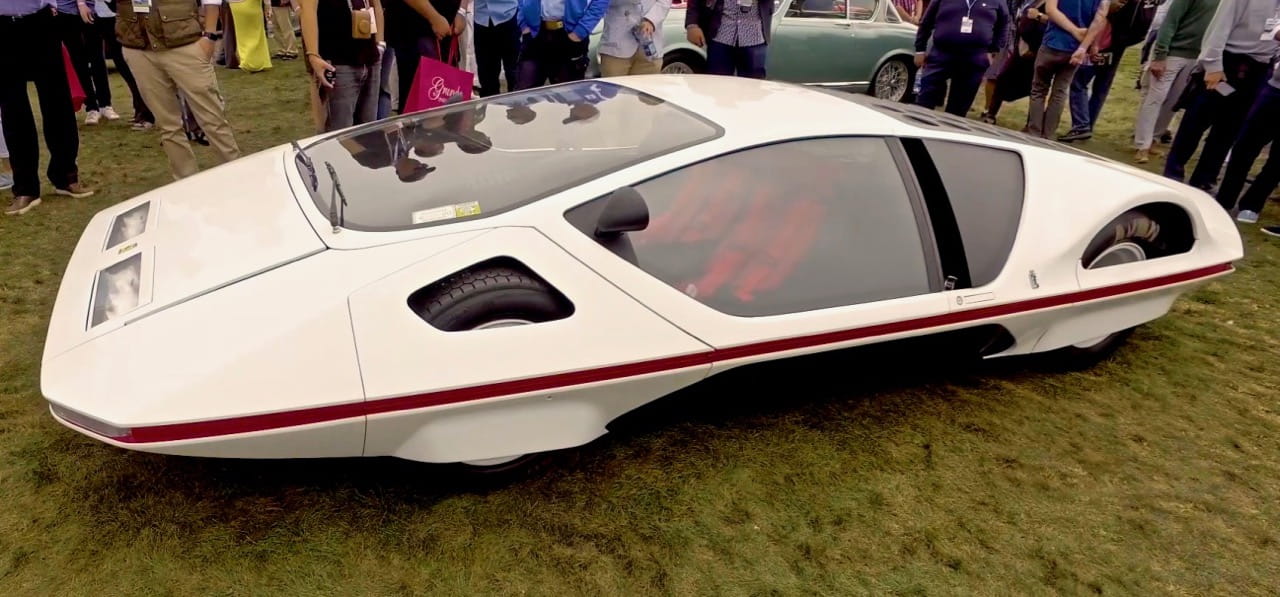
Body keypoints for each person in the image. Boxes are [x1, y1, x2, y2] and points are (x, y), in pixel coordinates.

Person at [116, 0, 243, 179]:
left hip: (186, 44)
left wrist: (209, 35)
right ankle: (186, 181)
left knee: (212, 118)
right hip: (138, 47)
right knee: (167, 125)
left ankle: (238, 174)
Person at [1161, 0, 1278, 189]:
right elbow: (1219, 27)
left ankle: (1204, 179)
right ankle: (1173, 173)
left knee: (1229, 129)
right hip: (1228, 61)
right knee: (1196, 121)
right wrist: (1213, 65)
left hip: (1259, 69)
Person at [0, 0, 94, 215]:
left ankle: (66, 176)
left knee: (58, 103)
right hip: (2, 26)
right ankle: (25, 188)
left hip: (40, 21)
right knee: (13, 109)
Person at [1058, 0, 1161, 142]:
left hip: (1103, 41)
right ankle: (1087, 125)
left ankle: (1081, 125)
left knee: (1079, 83)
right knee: (1101, 88)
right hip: (1120, 43)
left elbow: (1102, 17)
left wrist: (1094, 44)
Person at [1131, 0, 1215, 162]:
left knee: (1174, 101)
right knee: (1155, 98)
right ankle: (1142, 145)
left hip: (1196, 57)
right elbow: (1170, 22)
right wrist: (1160, 54)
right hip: (1172, 53)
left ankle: (1154, 139)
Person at [1214, 31, 1280, 223]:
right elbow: (1275, 33)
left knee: (1277, 160)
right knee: (1245, 146)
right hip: (1275, 89)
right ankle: (1225, 198)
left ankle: (1252, 204)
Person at [1023, 0, 1110, 138]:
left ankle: (1034, 131)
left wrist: (1074, 31)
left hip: (1052, 42)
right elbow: (1100, 19)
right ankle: (1048, 135)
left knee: (1039, 90)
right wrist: (1085, 46)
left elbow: (1051, 10)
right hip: (1075, 49)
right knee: (1059, 92)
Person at [299, 0, 385, 131]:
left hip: (370, 58)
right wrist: (313, 55)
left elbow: (376, 4)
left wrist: (380, 44)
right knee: (339, 131)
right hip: (337, 62)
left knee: (367, 131)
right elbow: (307, 10)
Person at [914, 0, 1010, 116]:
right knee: (925, 98)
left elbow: (1004, 24)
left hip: (974, 59)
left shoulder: (998, 1)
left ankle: (951, 124)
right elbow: (926, 22)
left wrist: (993, 50)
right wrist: (920, 49)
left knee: (958, 109)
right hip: (941, 54)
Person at [84, 0, 156, 130]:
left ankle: (147, 114)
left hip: (124, 17)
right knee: (124, 66)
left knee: (129, 67)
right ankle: (141, 110)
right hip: (104, 14)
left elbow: (143, 5)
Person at [384, 0, 465, 110]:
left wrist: (460, 12)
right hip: (416, 30)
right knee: (418, 103)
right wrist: (434, 18)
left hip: (444, 31)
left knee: (445, 102)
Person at [514, 0, 609, 88]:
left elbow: (600, 2)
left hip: (570, 34)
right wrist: (523, 23)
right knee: (524, 92)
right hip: (534, 33)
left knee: (568, 93)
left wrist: (580, 31)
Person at [982, 0, 1049, 121]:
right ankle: (990, 113)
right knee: (1002, 78)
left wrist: (1039, 16)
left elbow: (1056, 22)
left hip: (1039, 50)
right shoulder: (1034, 2)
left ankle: (1032, 124)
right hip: (1021, 47)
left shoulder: (1055, 3)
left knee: (1036, 88)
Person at [685, 0, 776, 78]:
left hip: (754, 38)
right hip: (720, 36)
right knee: (716, 85)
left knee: (753, 86)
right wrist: (692, 25)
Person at [57, 0, 112, 124]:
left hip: (89, 9)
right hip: (64, 10)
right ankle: (91, 107)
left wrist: (81, 3)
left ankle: (105, 104)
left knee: (97, 59)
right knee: (78, 62)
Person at [600, 0, 670, 75]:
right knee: (612, 82)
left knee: (648, 82)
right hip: (617, 46)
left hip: (650, 45)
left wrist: (651, 20)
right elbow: (600, 3)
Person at [472, 0, 519, 95]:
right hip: (482, 19)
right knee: (486, 76)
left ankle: (517, 102)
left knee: (514, 74)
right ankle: (490, 102)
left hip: (509, 15)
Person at [228, 0, 274, 71]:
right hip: (251, 4)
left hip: (234, 5)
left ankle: (246, 61)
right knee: (256, 31)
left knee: (242, 34)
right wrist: (268, 5)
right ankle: (256, 62)